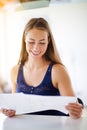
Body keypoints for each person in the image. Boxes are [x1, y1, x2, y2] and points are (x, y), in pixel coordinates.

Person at [2, 17, 83, 118]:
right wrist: (11, 112)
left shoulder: (58, 71)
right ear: (24, 39)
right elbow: (15, 109)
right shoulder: (15, 71)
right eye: (31, 42)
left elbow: (73, 113)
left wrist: (76, 112)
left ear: (48, 41)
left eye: (42, 42)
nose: (36, 47)